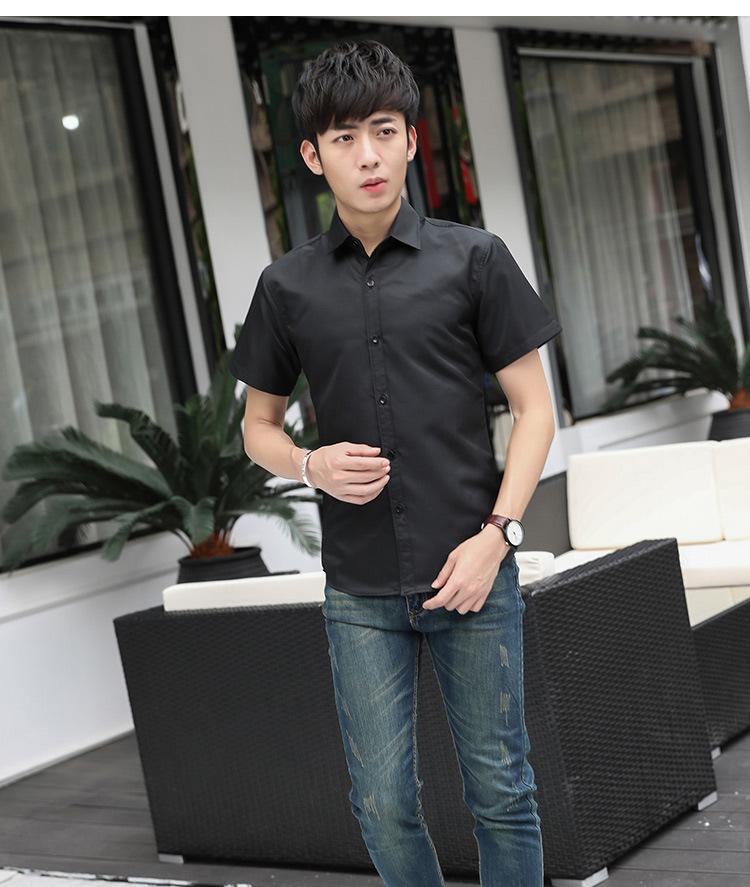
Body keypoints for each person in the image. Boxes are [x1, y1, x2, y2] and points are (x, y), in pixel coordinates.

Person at [230, 38, 562, 887]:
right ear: (313, 157)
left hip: (472, 573)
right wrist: (308, 463)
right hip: (361, 590)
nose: (368, 155)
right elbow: (256, 427)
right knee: (380, 802)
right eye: (344, 138)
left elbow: (535, 411)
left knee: (502, 791)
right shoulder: (285, 287)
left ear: (413, 138)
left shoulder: (476, 259)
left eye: (383, 131)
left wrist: (497, 535)